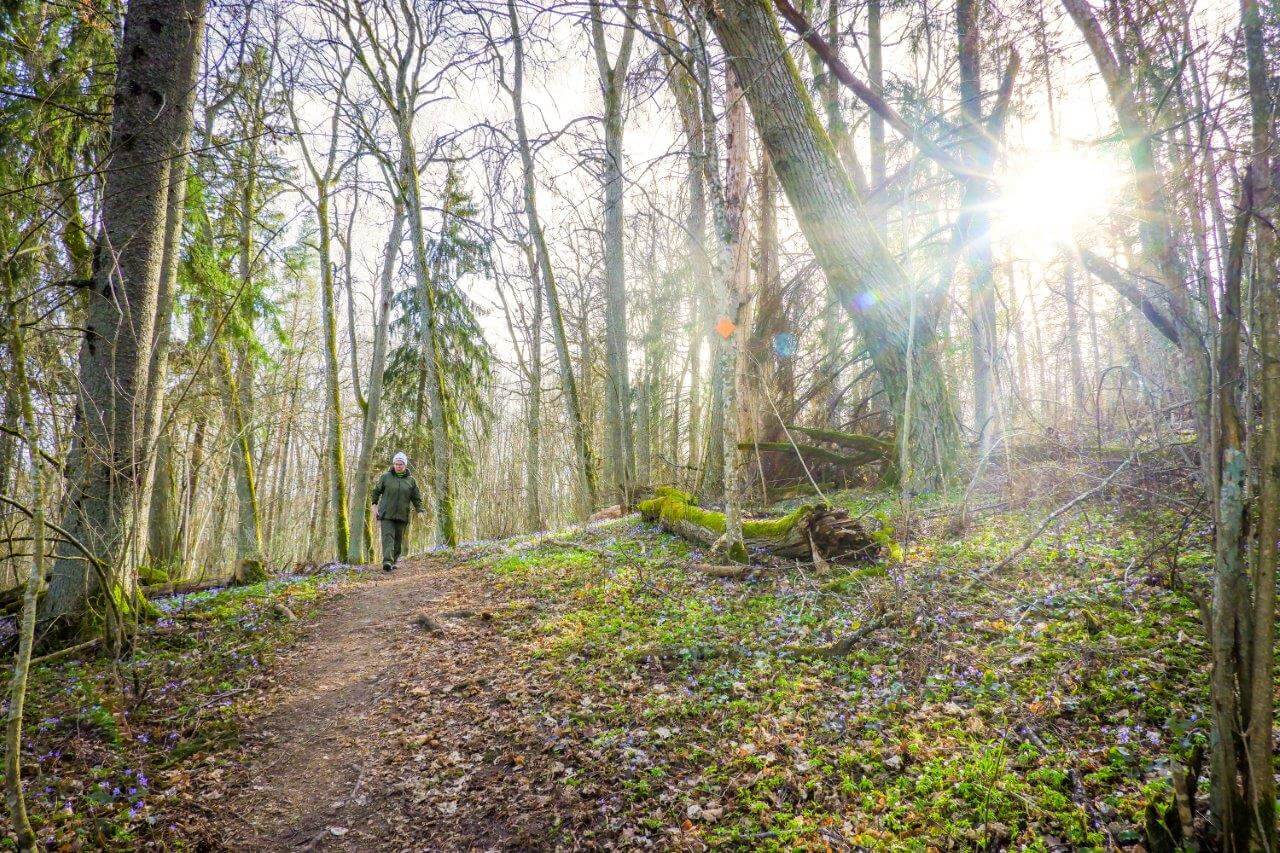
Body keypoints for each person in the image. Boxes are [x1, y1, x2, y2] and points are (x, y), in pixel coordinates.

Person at [371, 451, 423, 572]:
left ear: (405, 465)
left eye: (401, 464)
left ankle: (393, 561)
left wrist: (419, 510)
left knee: (398, 539)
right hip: (386, 514)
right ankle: (387, 561)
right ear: (393, 464)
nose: (398, 466)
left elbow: (416, 497)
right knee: (388, 536)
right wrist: (374, 505)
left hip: (402, 514)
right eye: (396, 464)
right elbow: (376, 491)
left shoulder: (411, 481)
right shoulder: (385, 477)